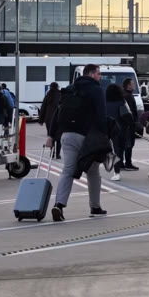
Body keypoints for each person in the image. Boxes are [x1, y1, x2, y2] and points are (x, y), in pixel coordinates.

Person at [50, 63, 109, 220]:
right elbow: (101, 114)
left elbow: (57, 113)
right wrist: (104, 137)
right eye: (99, 74)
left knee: (67, 171)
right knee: (93, 172)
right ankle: (95, 207)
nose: (100, 77)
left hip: (67, 135)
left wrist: (51, 135)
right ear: (91, 74)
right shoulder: (96, 90)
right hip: (88, 137)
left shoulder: (70, 89)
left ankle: (59, 204)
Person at [103, 82, 129, 183]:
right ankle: (118, 169)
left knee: (111, 150)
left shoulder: (104, 103)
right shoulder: (122, 102)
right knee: (119, 149)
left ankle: (115, 170)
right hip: (121, 128)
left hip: (108, 129)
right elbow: (127, 115)